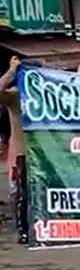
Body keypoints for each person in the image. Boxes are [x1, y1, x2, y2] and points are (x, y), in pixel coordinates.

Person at [0, 57, 26, 242]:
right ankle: (24, 229)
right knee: (22, 193)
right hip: (22, 152)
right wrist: (11, 71)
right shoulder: (15, 96)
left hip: (45, 151)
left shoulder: (47, 95)